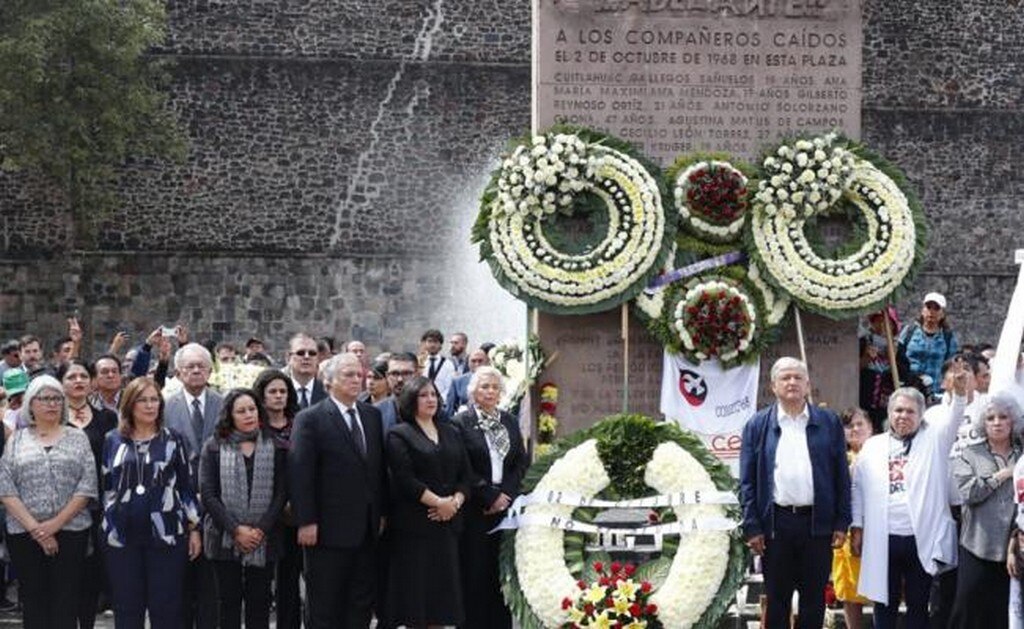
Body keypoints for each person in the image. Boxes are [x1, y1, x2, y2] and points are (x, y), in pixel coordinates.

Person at [850, 363, 969, 629]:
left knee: (918, 603)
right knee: (884, 602)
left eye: (910, 411)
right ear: (889, 413)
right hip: (883, 537)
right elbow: (857, 489)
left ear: (921, 414)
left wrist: (960, 394)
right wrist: (857, 526)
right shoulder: (873, 446)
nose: (903, 416)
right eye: (898, 410)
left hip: (920, 537)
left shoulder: (935, 439)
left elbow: (955, 417)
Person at [739, 356, 850, 629]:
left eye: (798, 377)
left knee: (814, 599)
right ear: (773, 386)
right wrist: (752, 525)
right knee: (778, 599)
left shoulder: (828, 422)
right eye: (785, 378)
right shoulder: (757, 425)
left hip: (817, 524)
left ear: (807, 384)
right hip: (777, 524)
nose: (792, 383)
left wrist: (841, 521)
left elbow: (841, 476)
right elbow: (747, 481)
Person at [288, 353, 387, 629]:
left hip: (366, 529)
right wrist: (306, 520)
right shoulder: (310, 419)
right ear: (328, 381)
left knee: (360, 603)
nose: (357, 380)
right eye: (349, 374)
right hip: (326, 530)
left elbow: (376, 471)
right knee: (324, 604)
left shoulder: (371, 415)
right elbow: (300, 473)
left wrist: (380, 513)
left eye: (360, 374)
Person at [101, 377, 202, 629]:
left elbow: (186, 487)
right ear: (129, 405)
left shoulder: (173, 439)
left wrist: (194, 529)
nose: (149, 405)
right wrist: (109, 526)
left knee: (166, 608)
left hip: (166, 535)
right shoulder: (113, 439)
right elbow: (106, 487)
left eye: (154, 399)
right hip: (122, 537)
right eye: (142, 400)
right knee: (126, 608)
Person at [0, 375, 96, 629]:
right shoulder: (16, 439)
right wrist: (37, 529)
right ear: (31, 404)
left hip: (71, 531)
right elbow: (5, 487)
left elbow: (87, 486)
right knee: (33, 599)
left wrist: (55, 525)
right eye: (44, 398)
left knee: (66, 599)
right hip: (25, 534)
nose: (52, 404)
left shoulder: (77, 438)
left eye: (56, 398)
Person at [384, 375, 474, 628]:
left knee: (442, 602)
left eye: (433, 394)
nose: (430, 399)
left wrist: (454, 503)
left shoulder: (451, 431)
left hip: (447, 528)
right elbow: (404, 479)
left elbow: (466, 476)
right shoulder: (399, 434)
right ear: (411, 399)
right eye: (423, 395)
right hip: (416, 528)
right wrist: (438, 503)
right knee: (417, 602)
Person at [200, 389, 287, 629]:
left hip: (265, 538)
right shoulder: (214, 446)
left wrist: (260, 530)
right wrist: (236, 529)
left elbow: (281, 494)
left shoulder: (277, 446)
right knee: (227, 602)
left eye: (252, 409)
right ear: (230, 416)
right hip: (223, 538)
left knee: (259, 602)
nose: (248, 415)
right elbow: (208, 494)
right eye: (241, 411)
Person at [452, 367, 527, 629]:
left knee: (500, 574)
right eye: (485, 386)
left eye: (495, 387)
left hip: (504, 509)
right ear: (473, 391)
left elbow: (520, 461)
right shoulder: (461, 422)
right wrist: (489, 495)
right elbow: (462, 464)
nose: (490, 391)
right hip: (476, 508)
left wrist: (506, 493)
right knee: (474, 572)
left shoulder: (508, 420)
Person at [949, 393, 1023, 628]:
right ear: (983, 422)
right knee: (968, 610)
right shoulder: (969, 454)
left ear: (1013, 422)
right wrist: (1002, 475)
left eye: (1003, 417)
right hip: (977, 545)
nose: (997, 422)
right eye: (991, 418)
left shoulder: (1022, 456)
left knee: (1005, 613)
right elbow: (969, 494)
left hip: (1015, 548)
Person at [162, 343, 221, 629]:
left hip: (216, 504)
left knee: (211, 586)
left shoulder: (224, 404)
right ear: (178, 372)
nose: (196, 370)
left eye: (201, 365)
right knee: (178, 585)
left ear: (210, 370)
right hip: (175, 505)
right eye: (190, 366)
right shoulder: (164, 407)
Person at [60, 360, 119, 629]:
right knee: (65, 574)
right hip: (61, 508)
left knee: (92, 573)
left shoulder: (107, 418)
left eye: (84, 375)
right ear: (61, 383)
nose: (79, 380)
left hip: (98, 506)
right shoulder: (53, 418)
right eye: (71, 376)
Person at [252, 369, 303, 629]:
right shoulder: (253, 427)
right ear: (261, 396)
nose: (279, 396)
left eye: (283, 391)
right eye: (272, 391)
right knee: (260, 582)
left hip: (295, 513)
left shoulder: (301, 423)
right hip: (263, 513)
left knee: (290, 579)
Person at [831, 408, 874, 629]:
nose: (855, 429)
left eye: (859, 424)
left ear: (870, 428)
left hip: (876, 527)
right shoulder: (839, 459)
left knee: (879, 584)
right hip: (846, 530)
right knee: (848, 589)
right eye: (849, 426)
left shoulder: (881, 456)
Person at [897, 292, 960, 402]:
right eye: (928, 307)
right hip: (909, 389)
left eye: (936, 308)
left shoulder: (948, 337)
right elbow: (898, 358)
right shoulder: (909, 332)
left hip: (936, 392)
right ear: (922, 310)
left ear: (943, 314)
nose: (931, 312)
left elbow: (952, 366)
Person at [377, 352, 420, 432]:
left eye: (406, 373)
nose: (400, 379)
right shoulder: (376, 413)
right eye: (394, 374)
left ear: (417, 375)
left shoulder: (432, 411)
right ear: (387, 376)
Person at [285, 333, 326, 410]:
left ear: (318, 359)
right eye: (300, 353)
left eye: (312, 353)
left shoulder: (328, 392)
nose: (307, 357)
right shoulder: (280, 392)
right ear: (288, 358)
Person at [446, 348, 490, 416]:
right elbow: (450, 408)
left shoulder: (495, 379)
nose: (477, 364)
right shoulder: (458, 381)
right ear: (468, 362)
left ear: (487, 362)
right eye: (473, 361)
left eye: (480, 361)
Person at [420, 329, 456, 402]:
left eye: (436, 342)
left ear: (440, 345)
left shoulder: (448, 364)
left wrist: (438, 399)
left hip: (441, 401)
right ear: (424, 343)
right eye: (429, 341)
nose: (432, 345)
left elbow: (449, 386)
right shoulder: (419, 362)